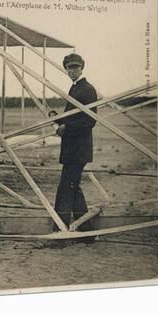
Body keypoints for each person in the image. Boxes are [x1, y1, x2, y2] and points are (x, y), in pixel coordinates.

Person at [51, 53, 98, 243]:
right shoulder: (75, 88)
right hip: (73, 149)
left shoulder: (87, 89)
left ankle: (59, 232)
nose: (72, 71)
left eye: (75, 67)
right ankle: (86, 233)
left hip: (78, 150)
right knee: (73, 188)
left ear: (82, 68)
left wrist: (66, 127)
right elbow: (73, 117)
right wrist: (57, 118)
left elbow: (89, 120)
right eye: (69, 68)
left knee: (66, 189)